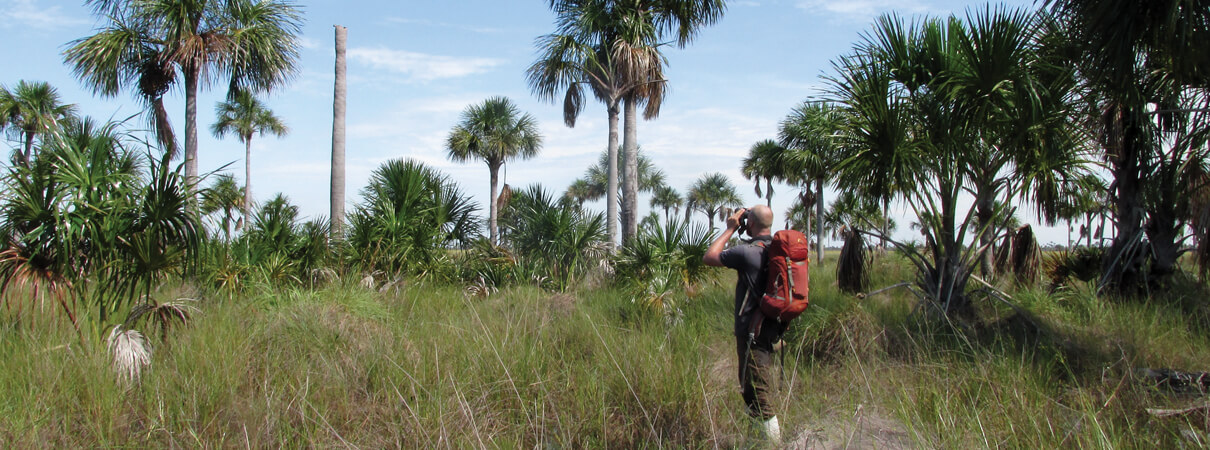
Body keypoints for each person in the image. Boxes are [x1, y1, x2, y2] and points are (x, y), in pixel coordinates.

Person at [703, 205, 785, 442]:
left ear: (749, 224)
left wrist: (730, 228)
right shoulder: (774, 251)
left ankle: (772, 444)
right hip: (772, 328)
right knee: (757, 388)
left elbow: (710, 256)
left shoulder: (748, 252)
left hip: (753, 332)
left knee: (757, 393)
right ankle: (756, 440)